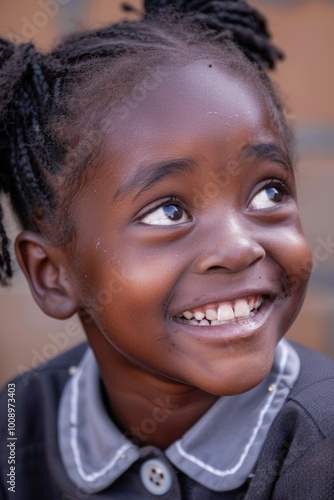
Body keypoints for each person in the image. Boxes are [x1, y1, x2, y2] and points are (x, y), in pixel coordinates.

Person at [0, 0, 333, 498]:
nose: (240, 248)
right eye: (169, 211)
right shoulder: (15, 428)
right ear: (52, 274)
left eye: (269, 192)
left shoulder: (320, 442)